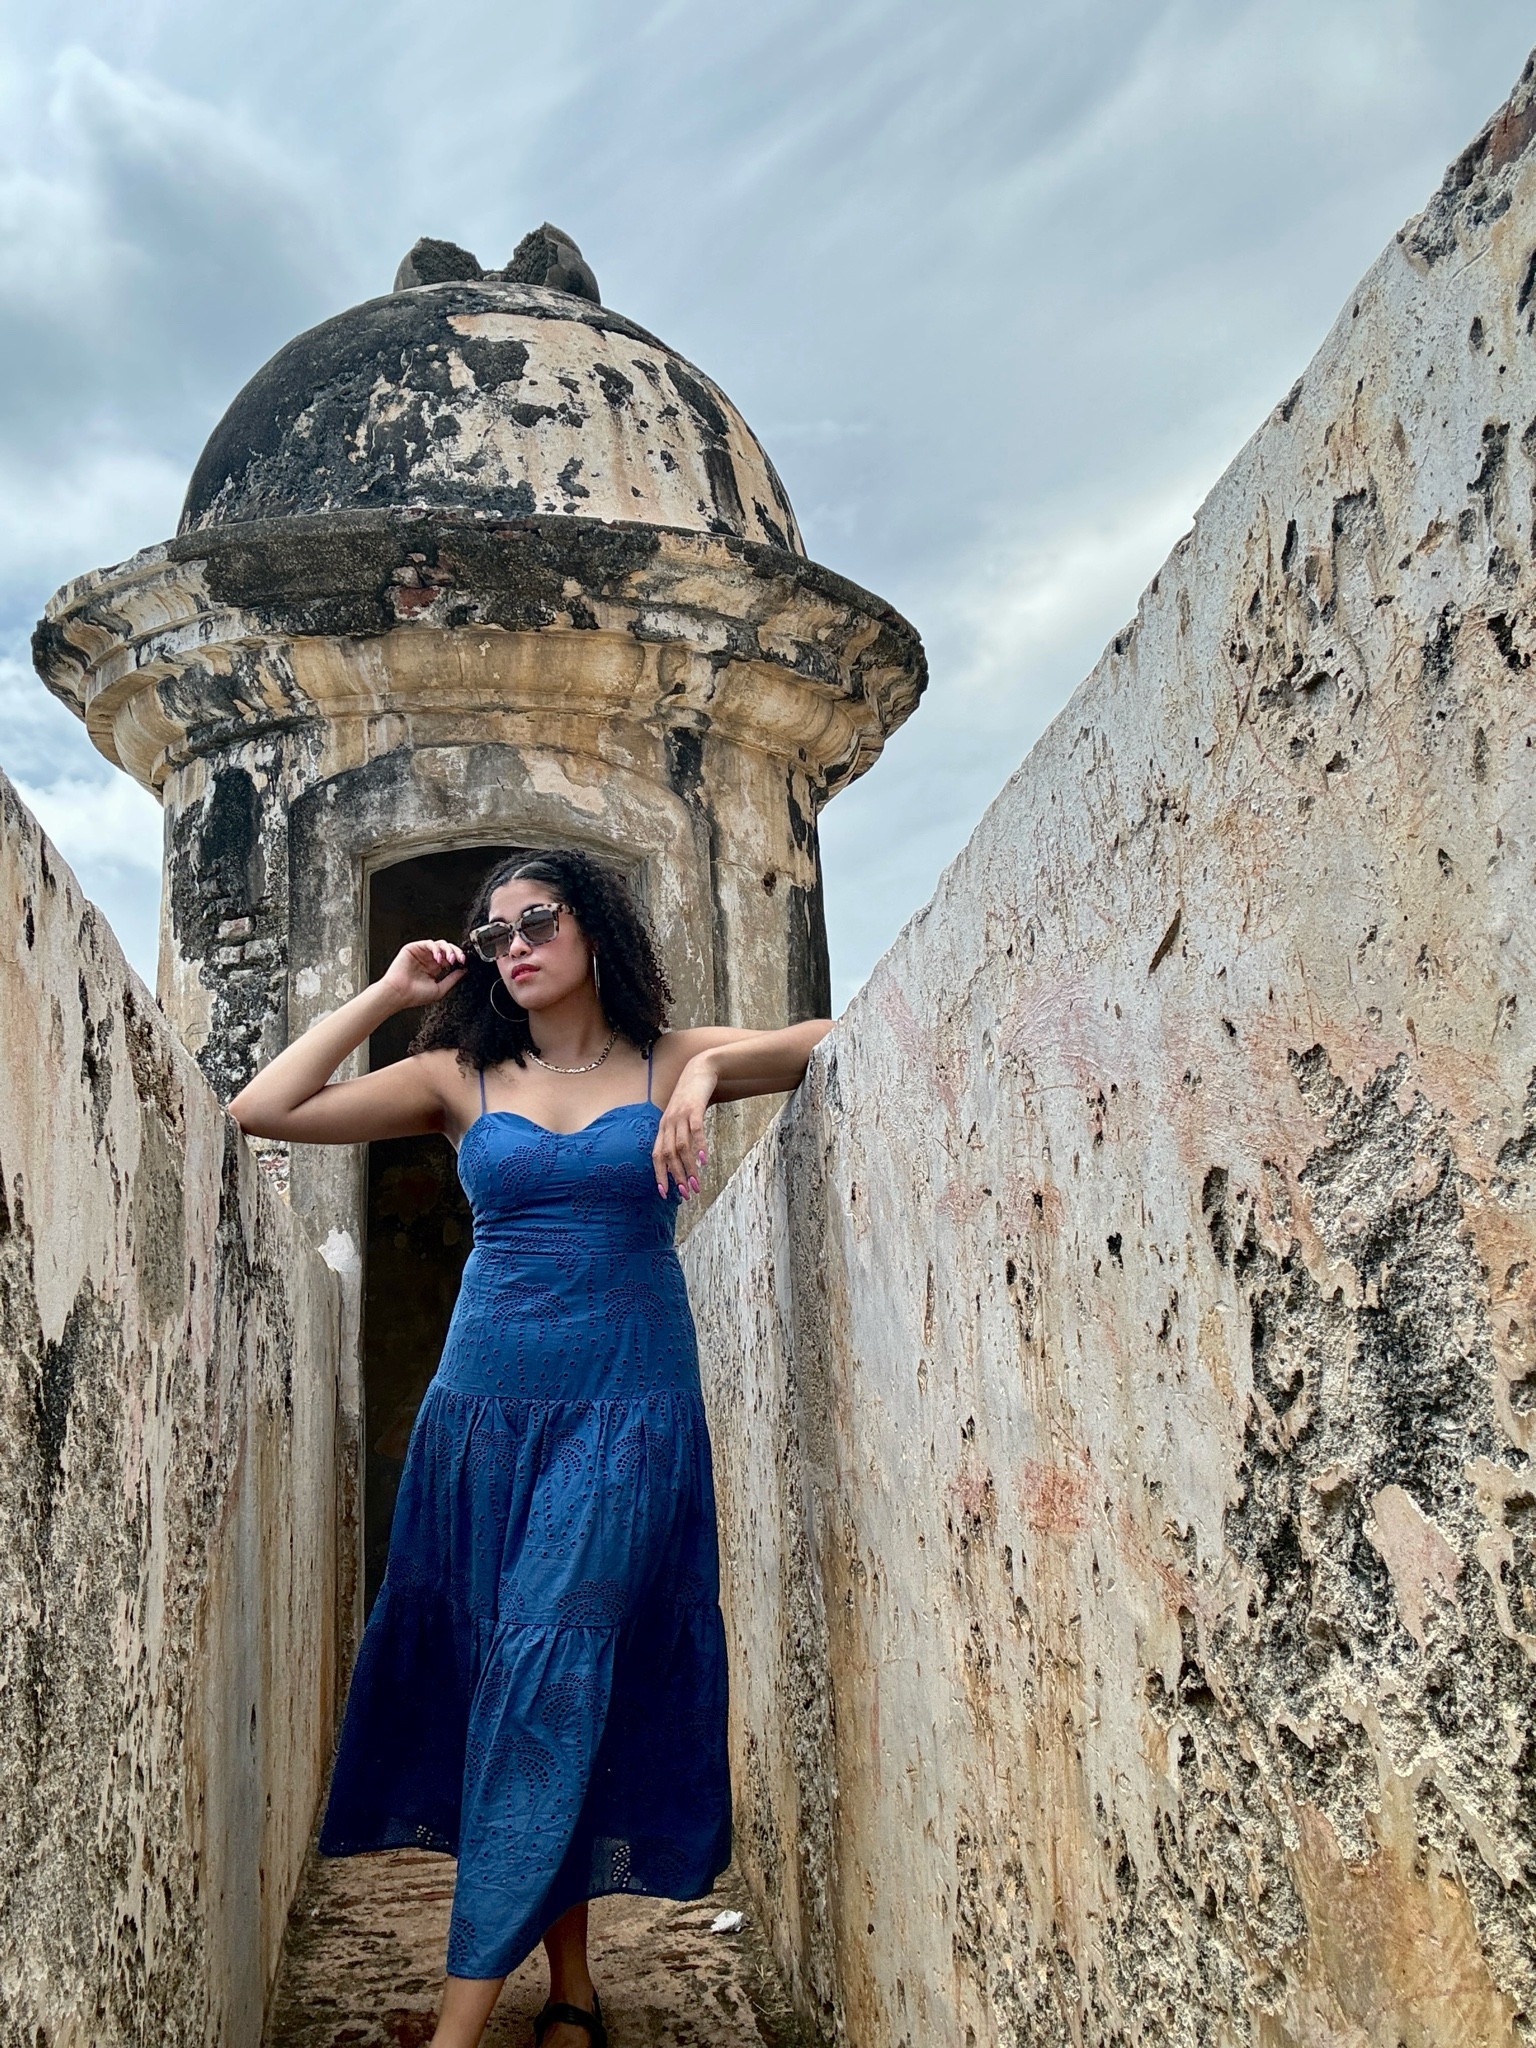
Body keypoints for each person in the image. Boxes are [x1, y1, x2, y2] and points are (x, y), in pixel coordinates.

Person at [227, 847, 831, 2048]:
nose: (513, 945)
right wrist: (389, 994)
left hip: (627, 1409)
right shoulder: (459, 1071)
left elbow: (829, 1033)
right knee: (518, 1682)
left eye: (537, 919)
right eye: (493, 931)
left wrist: (709, 1068)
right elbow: (263, 1109)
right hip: (482, 1418)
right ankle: (573, 1994)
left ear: (594, 928)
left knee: (547, 1674)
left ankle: (455, 2031)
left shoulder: (663, 1056)